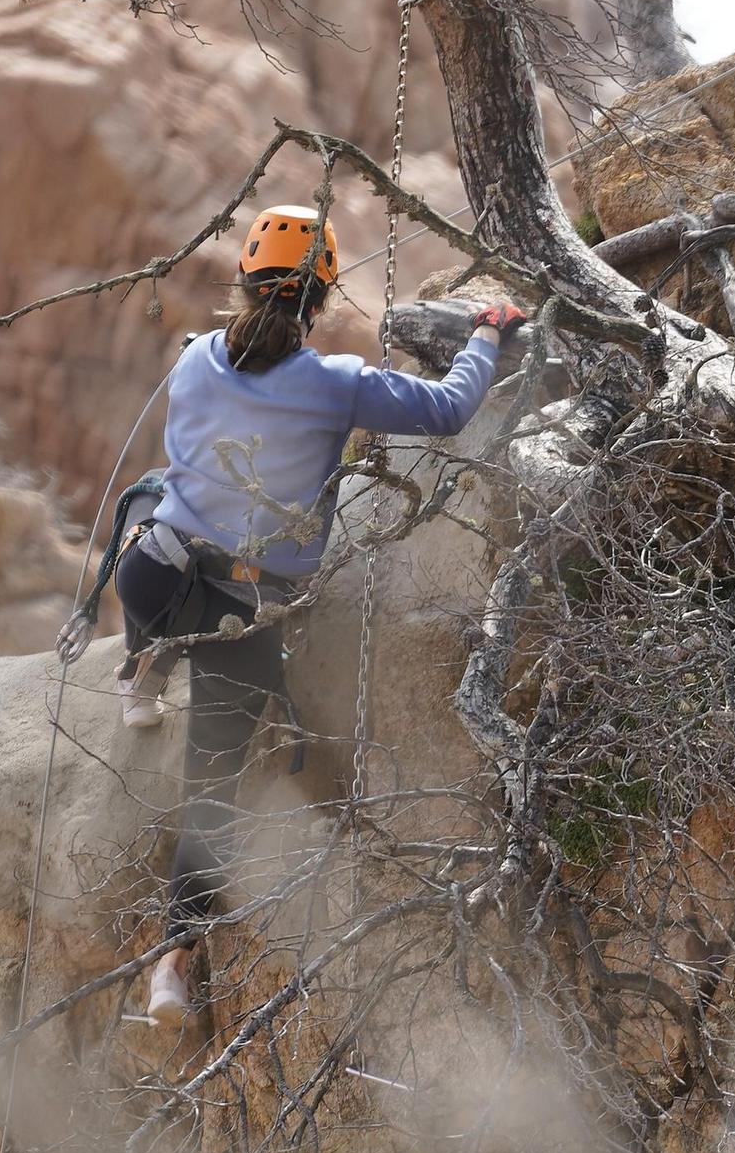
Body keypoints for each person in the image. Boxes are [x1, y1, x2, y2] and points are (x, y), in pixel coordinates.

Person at [112, 203, 528, 1027]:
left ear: (243, 283)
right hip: (243, 605)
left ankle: (143, 668)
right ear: (322, 301)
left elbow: (191, 451)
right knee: (214, 783)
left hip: (152, 580)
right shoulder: (335, 384)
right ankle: (174, 963)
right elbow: (447, 409)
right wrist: (489, 332)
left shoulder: (192, 359)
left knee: (153, 501)